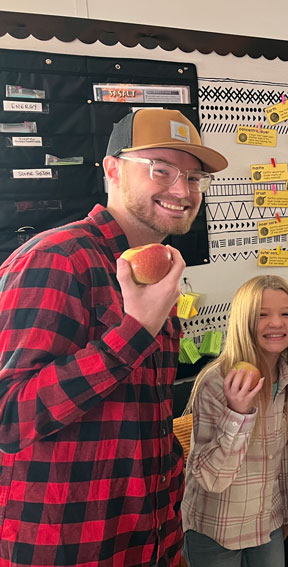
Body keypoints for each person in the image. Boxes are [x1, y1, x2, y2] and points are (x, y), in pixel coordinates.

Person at [0, 108, 227, 566]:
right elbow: (9, 417)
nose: (182, 191)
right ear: (112, 169)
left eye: (194, 177)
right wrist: (133, 333)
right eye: (161, 170)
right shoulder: (56, 259)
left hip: (148, 538)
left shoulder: (156, 269)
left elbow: (141, 416)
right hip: (65, 546)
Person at [181, 275, 288, 566]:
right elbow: (212, 478)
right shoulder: (216, 382)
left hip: (266, 524)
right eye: (262, 315)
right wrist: (238, 412)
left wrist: (283, 514)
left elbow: (281, 459)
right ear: (243, 321)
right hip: (216, 529)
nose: (276, 323)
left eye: (287, 314)